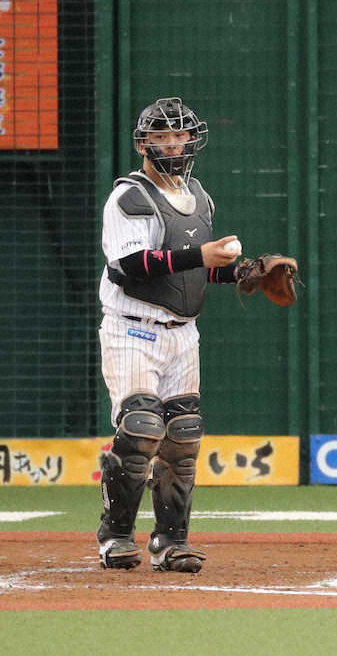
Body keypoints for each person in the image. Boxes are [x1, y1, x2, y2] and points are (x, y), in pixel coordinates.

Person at [96, 97, 244, 572]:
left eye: (180, 134)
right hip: (132, 328)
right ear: (143, 143)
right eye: (162, 135)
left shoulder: (199, 195)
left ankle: (170, 541)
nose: (174, 143)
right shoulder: (130, 196)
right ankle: (115, 534)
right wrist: (202, 256)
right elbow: (132, 267)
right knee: (141, 427)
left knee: (183, 434)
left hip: (183, 332)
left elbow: (191, 274)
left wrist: (247, 274)